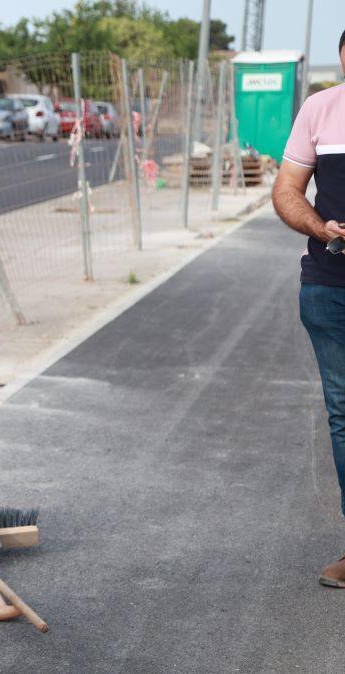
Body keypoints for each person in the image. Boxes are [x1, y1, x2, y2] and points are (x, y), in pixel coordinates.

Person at [273, 29, 345, 589]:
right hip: (330, 287)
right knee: (344, 418)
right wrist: (322, 228)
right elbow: (287, 190)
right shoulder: (321, 109)